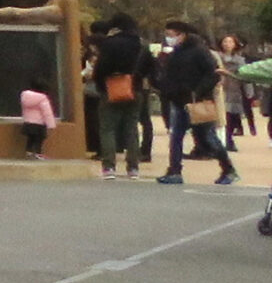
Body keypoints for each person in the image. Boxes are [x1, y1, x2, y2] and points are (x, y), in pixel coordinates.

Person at [154, 19, 236, 186]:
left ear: (182, 34)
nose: (169, 38)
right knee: (176, 137)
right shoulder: (175, 53)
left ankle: (228, 168)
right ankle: (174, 170)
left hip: (197, 102)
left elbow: (213, 74)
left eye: (171, 35)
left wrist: (198, 92)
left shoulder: (199, 51)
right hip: (179, 100)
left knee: (207, 137)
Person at [91, 15, 149, 178]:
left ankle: (109, 167)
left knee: (108, 128)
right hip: (135, 88)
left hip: (111, 88)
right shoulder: (141, 44)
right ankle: (133, 167)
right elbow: (151, 66)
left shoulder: (110, 43)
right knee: (131, 128)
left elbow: (101, 68)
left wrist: (101, 84)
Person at [219, 36, 255, 138]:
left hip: (235, 89)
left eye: (230, 42)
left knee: (234, 111)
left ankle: (241, 130)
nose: (227, 44)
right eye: (225, 41)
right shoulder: (217, 58)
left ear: (235, 45)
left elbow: (245, 75)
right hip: (221, 88)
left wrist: (249, 91)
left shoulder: (240, 60)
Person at [17, 78, 56, 160]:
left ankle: (28, 153)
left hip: (28, 122)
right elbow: (47, 112)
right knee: (39, 139)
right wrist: (51, 124)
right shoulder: (43, 98)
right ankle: (38, 153)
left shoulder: (25, 96)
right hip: (39, 124)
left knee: (30, 138)